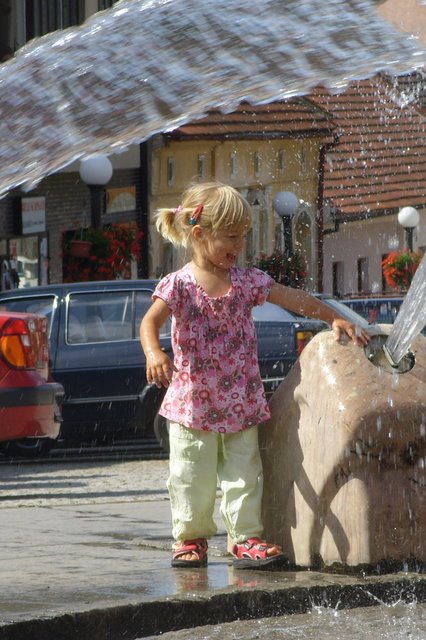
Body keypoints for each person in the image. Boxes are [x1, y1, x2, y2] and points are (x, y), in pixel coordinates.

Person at [139, 181, 370, 570]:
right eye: (231, 237)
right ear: (199, 234)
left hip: (241, 399)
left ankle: (245, 539)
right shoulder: (179, 284)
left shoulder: (245, 282)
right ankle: (190, 539)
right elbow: (150, 321)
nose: (239, 246)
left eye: (242, 237)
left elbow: (291, 297)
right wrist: (154, 351)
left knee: (245, 473)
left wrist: (332, 315)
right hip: (192, 403)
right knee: (191, 475)